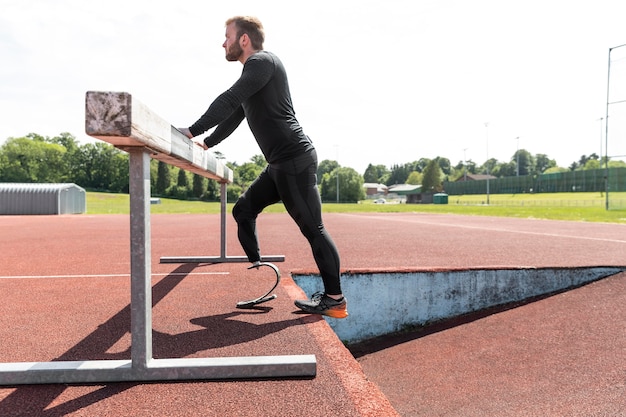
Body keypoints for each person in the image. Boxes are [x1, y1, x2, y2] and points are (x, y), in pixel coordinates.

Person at [179, 16, 347, 319]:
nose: (223, 43)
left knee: (313, 228)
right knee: (243, 210)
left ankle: (334, 299)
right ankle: (260, 266)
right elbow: (235, 114)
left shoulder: (262, 63)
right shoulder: (254, 76)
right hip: (278, 164)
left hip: (295, 159)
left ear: (244, 40)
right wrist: (208, 142)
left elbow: (229, 99)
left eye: (227, 36)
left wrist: (191, 131)